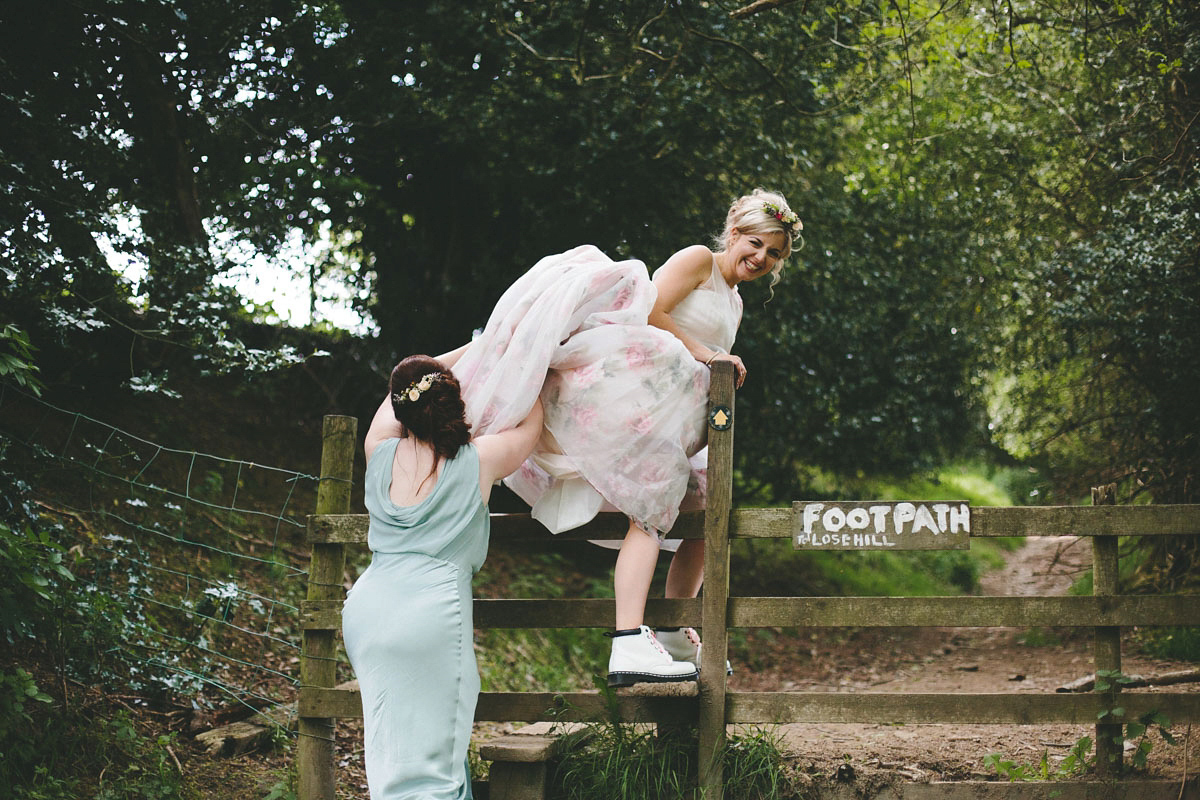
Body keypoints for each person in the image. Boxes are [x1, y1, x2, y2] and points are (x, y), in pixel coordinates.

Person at [446, 188, 802, 687]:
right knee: (651, 506)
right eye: (756, 244)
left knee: (706, 507)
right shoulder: (698, 260)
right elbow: (650, 309)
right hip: (634, 399)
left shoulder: (737, 302)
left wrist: (709, 366)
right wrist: (707, 354)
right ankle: (628, 641)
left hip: (675, 416)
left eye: (774, 254)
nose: (761, 258)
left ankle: (674, 627)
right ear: (734, 234)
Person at [342, 354, 543, 800]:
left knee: (391, 756)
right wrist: (522, 350)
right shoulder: (479, 460)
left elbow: (390, 402)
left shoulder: (379, 451)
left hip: (367, 612)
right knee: (433, 770)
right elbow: (532, 425)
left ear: (402, 410)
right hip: (429, 617)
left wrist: (471, 350)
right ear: (451, 397)